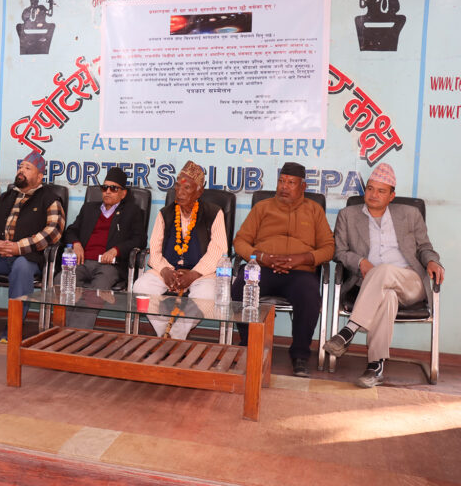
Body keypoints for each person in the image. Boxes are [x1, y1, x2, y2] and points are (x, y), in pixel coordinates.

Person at [323, 163, 444, 388]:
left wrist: (432, 261)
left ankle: (350, 329)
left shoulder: (410, 214)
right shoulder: (348, 215)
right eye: (370, 188)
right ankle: (375, 367)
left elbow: (424, 247)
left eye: (381, 191)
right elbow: (339, 252)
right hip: (370, 285)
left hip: (409, 282)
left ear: (391, 196)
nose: (373, 194)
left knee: (385, 269)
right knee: (387, 296)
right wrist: (360, 262)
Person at [231, 162, 334, 377]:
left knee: (309, 295)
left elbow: (328, 248)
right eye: (281, 181)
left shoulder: (314, 210)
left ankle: (300, 355)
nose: (284, 187)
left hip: (300, 272)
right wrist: (261, 257)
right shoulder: (263, 208)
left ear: (303, 186)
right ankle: (249, 344)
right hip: (263, 267)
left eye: (291, 183)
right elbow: (240, 242)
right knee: (240, 285)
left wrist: (303, 258)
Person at [0, 151, 65, 341]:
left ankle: (14, 324)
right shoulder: (5, 196)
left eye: (27, 168)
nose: (21, 171)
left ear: (39, 177)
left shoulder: (50, 199)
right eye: (20, 167)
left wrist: (19, 247)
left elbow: (53, 231)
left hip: (28, 258)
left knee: (21, 267)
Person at [133, 160, 228, 340]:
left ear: (199, 191)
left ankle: (176, 335)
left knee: (207, 295)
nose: (180, 192)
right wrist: (165, 271)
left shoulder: (214, 213)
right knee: (140, 287)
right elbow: (155, 249)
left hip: (201, 274)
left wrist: (194, 274)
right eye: (177, 186)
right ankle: (165, 331)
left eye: (187, 188)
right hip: (168, 271)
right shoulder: (165, 213)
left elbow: (218, 250)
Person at [58, 167, 147, 328]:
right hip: (82, 262)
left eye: (113, 188)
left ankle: (76, 333)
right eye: (104, 187)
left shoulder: (132, 211)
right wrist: (76, 244)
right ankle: (64, 329)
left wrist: (116, 250)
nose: (107, 192)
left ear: (123, 193)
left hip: (109, 266)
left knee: (96, 291)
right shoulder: (89, 208)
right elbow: (71, 231)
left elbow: (139, 240)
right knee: (62, 282)